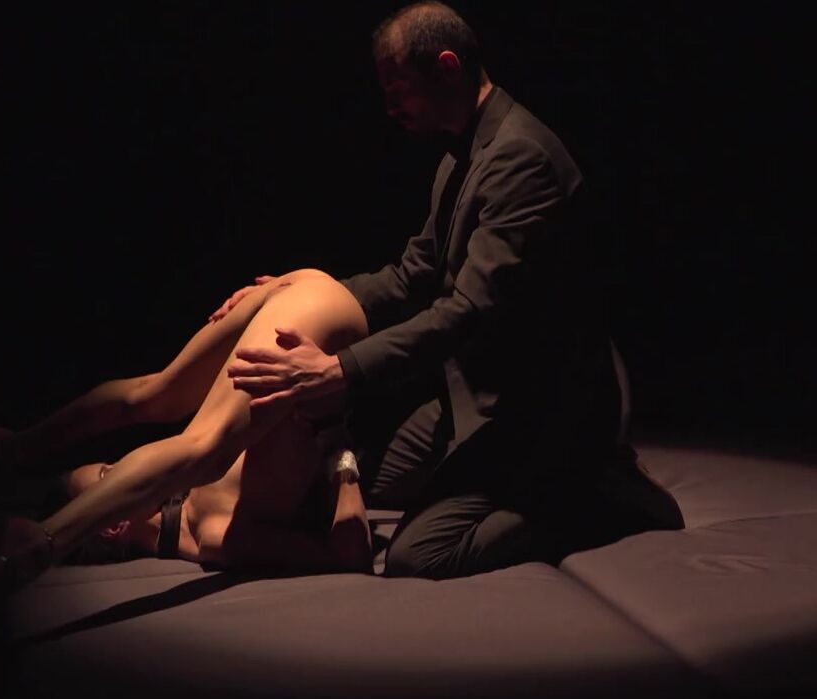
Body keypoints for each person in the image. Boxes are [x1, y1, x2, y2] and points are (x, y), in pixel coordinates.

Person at [215, 1, 682, 579]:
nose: (390, 108)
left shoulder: (521, 160)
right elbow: (413, 275)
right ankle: (530, 473)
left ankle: (600, 495)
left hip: (544, 407)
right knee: (372, 477)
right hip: (475, 392)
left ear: (447, 67)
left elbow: (470, 312)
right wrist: (305, 289)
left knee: (418, 556)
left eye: (399, 90)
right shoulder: (459, 157)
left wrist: (339, 371)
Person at [0, 269, 374, 596]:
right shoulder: (215, 533)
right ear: (114, 525)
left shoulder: (198, 499)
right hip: (317, 308)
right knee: (200, 444)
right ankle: (45, 539)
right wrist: (335, 441)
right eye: (109, 476)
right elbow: (350, 555)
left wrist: (332, 439)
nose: (126, 468)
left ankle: (17, 449)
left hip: (303, 299)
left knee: (155, 395)